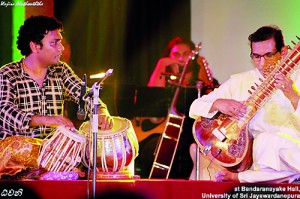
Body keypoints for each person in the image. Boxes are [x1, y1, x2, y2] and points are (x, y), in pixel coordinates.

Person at [0, 15, 113, 177]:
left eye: (60, 42)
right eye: (54, 43)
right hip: (17, 158)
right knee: (16, 145)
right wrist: (46, 119)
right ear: (35, 46)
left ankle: (60, 170)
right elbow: (4, 111)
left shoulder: (61, 71)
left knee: (89, 146)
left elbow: (84, 95)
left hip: (55, 153)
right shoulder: (8, 74)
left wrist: (101, 110)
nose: (61, 48)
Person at [189, 25, 300, 183]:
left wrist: (293, 96)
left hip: (291, 153)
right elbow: (195, 106)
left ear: (283, 52)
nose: (262, 63)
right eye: (256, 56)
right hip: (256, 159)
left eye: (269, 55)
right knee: (264, 141)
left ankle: (245, 178)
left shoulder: (297, 79)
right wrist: (220, 103)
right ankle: (254, 177)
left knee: (269, 140)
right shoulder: (240, 81)